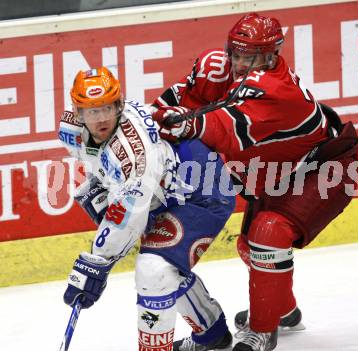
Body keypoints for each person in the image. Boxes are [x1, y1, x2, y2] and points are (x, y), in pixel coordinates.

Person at [152, 13, 358, 351]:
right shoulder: (221, 69)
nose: (237, 63)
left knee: (269, 233)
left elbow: (219, 129)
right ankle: (283, 309)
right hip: (280, 169)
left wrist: (181, 127)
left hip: (325, 170)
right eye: (235, 54)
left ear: (270, 55)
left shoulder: (276, 90)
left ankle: (261, 330)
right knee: (250, 246)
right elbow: (179, 102)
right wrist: (149, 122)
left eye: (247, 56)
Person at [58, 66, 236, 351]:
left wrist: (97, 262)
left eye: (107, 108)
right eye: (92, 111)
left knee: (154, 269)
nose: (102, 118)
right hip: (164, 185)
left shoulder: (135, 155)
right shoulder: (71, 129)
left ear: (119, 104)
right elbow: (101, 164)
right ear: (78, 113)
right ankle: (212, 331)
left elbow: (130, 213)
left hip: (201, 190)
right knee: (162, 263)